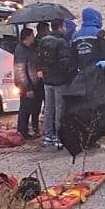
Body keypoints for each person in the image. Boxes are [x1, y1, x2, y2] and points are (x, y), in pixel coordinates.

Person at [36, 20, 77, 148]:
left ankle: (48, 136)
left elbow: (39, 59)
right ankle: (60, 137)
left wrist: (42, 72)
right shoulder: (62, 42)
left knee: (48, 108)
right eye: (64, 26)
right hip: (60, 81)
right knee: (60, 109)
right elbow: (65, 62)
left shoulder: (43, 40)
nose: (65, 28)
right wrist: (69, 76)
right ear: (59, 28)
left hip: (47, 80)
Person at [13, 26, 42, 139]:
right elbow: (20, 71)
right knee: (25, 109)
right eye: (32, 35)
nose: (34, 37)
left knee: (35, 107)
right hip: (27, 85)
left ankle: (34, 128)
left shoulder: (30, 48)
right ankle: (22, 132)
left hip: (35, 82)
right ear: (27, 37)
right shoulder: (20, 50)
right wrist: (27, 88)